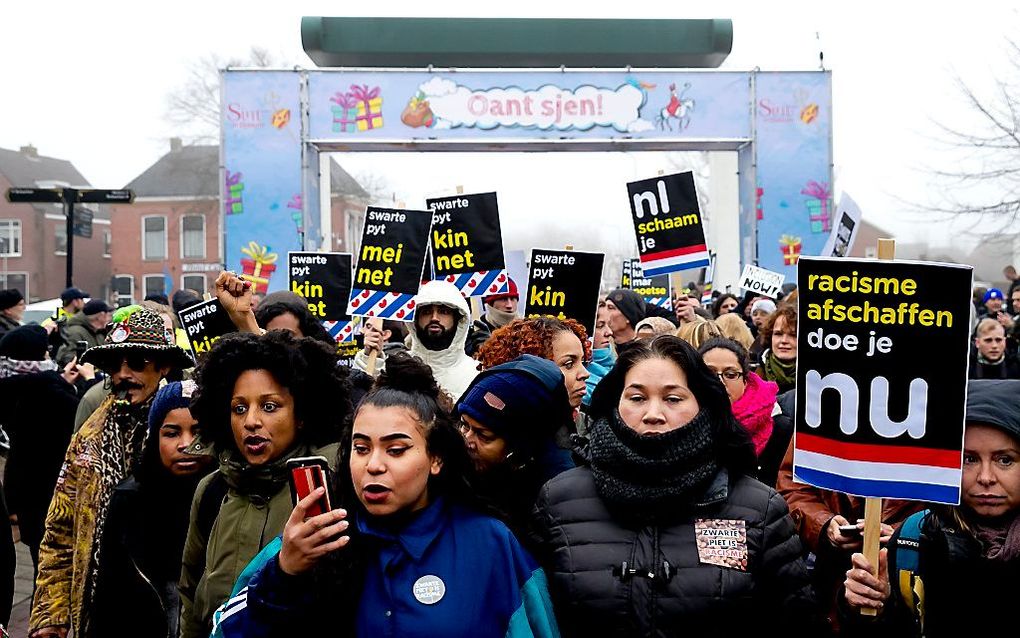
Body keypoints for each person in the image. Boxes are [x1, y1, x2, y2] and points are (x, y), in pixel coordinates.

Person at [208, 354, 559, 638]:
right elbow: (225, 630)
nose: (373, 465)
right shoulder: (315, 537)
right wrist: (284, 573)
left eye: (396, 450)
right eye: (361, 449)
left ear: (435, 458)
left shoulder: (491, 543)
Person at [531, 336, 821, 635]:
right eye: (637, 398)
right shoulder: (559, 500)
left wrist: (854, 609)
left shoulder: (758, 509)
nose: (653, 414)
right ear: (615, 403)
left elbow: (797, 621)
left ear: (702, 404)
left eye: (673, 399)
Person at [30, 306, 193, 638]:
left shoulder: (188, 430)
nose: (122, 374)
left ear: (163, 367)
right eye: (113, 365)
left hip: (171, 609)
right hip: (104, 607)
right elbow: (60, 529)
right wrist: (51, 612)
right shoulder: (88, 438)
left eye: (135, 363)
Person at [178, 330, 351, 638]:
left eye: (270, 407)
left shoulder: (325, 486)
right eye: (239, 408)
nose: (251, 422)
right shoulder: (212, 490)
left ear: (301, 415)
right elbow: (190, 593)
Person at [842, 379, 1020, 636]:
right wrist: (873, 607)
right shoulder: (915, 538)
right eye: (968, 459)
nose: (985, 477)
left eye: (1005, 460)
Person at [89, 380, 215, 637]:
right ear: (154, 435)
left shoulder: (225, 498)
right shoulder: (129, 500)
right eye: (171, 433)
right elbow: (108, 592)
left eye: (198, 431)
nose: (185, 444)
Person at [0, 326, 90, 571]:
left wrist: (61, 382)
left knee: (39, 566)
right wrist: (88, 382)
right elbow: (85, 418)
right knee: (56, 575)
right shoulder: (50, 394)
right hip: (54, 496)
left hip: (26, 495)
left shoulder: (13, 388)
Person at [456, 354, 575, 537]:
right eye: (464, 424)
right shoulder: (455, 475)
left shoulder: (558, 501)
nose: (467, 441)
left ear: (519, 444)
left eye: (484, 435)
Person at [356, 280, 479, 401]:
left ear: (458, 319)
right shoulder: (396, 369)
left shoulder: (475, 373)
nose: (434, 318)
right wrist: (368, 358)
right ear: (415, 320)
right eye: (426, 312)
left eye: (444, 312)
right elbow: (364, 398)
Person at [699, 338, 789, 486]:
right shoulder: (677, 423)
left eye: (731, 374)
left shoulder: (780, 427)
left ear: (745, 381)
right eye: (710, 373)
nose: (720, 382)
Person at [477, 317, 591, 410]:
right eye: (569, 364)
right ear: (529, 370)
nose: (585, 374)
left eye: (583, 362)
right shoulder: (488, 432)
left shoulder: (588, 427)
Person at [466, 277, 520, 356]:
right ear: (491, 303)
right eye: (503, 299)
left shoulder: (527, 331)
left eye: (512, 299)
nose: (509, 305)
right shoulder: (475, 331)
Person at [604, 288, 678, 346]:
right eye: (604, 307)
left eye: (611, 308)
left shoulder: (647, 349)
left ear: (628, 316)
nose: (605, 312)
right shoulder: (600, 348)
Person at [56, 299, 113, 366]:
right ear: (100, 316)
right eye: (108, 315)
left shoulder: (98, 333)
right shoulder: (75, 332)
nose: (109, 319)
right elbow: (67, 357)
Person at [756, 303, 798, 393]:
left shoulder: (815, 381)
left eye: (793, 335)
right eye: (778, 334)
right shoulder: (753, 376)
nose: (784, 340)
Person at [584, 301, 615, 407]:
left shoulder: (618, 367)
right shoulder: (578, 385)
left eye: (609, 325)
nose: (609, 332)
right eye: (600, 326)